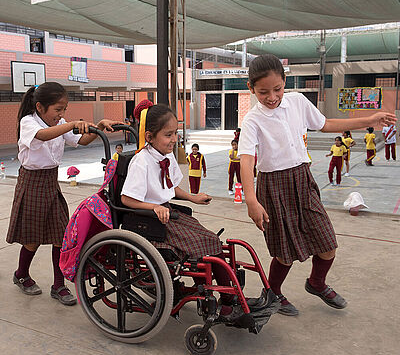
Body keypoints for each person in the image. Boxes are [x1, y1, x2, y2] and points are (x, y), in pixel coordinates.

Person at [238, 54, 396, 316]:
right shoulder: (252, 120)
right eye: (263, 92)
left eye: (277, 89)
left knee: (327, 243)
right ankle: (273, 292)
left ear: (285, 81)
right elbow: (246, 159)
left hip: (302, 179)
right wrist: (251, 200)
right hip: (273, 186)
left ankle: (316, 282)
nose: (272, 97)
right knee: (284, 251)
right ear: (251, 89)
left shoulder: (298, 101)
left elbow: (326, 124)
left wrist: (369, 120)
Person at [120, 103, 243, 321]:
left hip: (167, 214)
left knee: (212, 241)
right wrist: (155, 207)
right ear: (149, 136)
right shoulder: (142, 161)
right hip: (149, 222)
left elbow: (170, 188)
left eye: (175, 133)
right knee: (208, 244)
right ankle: (223, 301)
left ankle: (223, 295)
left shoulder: (165, 156)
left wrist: (192, 197)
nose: (174, 139)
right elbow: (126, 198)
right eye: (168, 134)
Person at [6, 82, 121, 305]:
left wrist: (97, 127)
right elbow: (43, 135)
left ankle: (58, 285)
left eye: (64, 110)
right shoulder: (29, 122)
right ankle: (21, 274)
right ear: (40, 107)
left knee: (61, 235)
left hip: (51, 182)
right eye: (58, 109)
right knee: (33, 239)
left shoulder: (60, 124)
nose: (61, 115)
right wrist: (71, 125)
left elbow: (82, 140)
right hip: (31, 183)